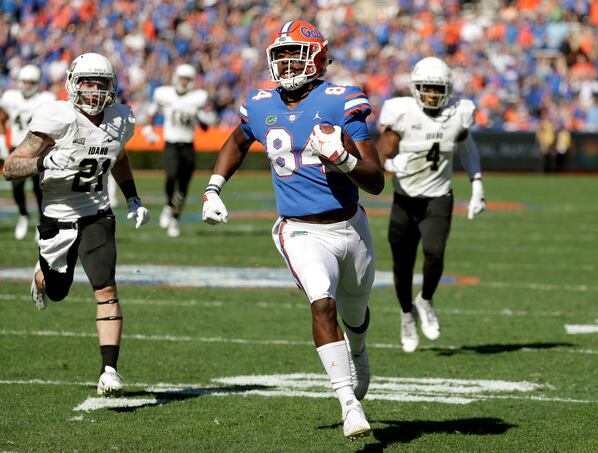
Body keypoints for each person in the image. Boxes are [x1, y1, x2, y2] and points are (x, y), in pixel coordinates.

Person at [202, 20, 384, 439]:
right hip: (299, 230)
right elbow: (237, 140)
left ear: (317, 57)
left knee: (355, 314)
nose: (285, 63)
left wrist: (345, 159)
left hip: (350, 227)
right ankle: (348, 403)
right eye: (280, 55)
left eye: (294, 54)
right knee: (322, 303)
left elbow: (375, 181)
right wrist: (213, 188)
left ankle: (359, 352)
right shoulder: (261, 102)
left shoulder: (343, 100)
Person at [2, 52, 150, 397]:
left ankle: (109, 370)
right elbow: (10, 167)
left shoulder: (121, 119)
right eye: (88, 81)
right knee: (57, 289)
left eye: (101, 83)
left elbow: (119, 155)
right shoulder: (57, 117)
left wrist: (132, 197)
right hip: (58, 215)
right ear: (73, 83)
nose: (95, 90)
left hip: (97, 213)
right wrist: (46, 159)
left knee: (106, 288)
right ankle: (40, 275)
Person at [376, 56, 486, 353]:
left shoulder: (458, 114)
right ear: (415, 88)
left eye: (438, 89)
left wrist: (476, 184)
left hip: (439, 196)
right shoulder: (401, 112)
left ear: (447, 89)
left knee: (434, 252)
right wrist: (388, 163)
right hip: (404, 199)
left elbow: (467, 145)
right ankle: (405, 314)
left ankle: (425, 299)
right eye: (427, 88)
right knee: (402, 264)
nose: (432, 95)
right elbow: (382, 149)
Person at [142, 63, 216, 237]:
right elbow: (151, 113)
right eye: (182, 78)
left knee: (183, 186)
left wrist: (201, 116)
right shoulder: (164, 94)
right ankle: (169, 205)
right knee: (171, 176)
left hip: (188, 145)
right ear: (176, 78)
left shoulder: (198, 98)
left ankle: (175, 218)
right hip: (171, 143)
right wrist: (148, 130)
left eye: (187, 79)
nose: (184, 82)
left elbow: (206, 126)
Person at [0, 64, 56, 240]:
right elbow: (1, 118)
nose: (26, 85)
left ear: (37, 83)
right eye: (23, 81)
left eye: (30, 82)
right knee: (16, 187)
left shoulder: (45, 99)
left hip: (38, 151)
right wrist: (2, 140)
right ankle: (24, 215)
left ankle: (41, 221)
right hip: (17, 149)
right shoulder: (11, 98)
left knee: (39, 188)